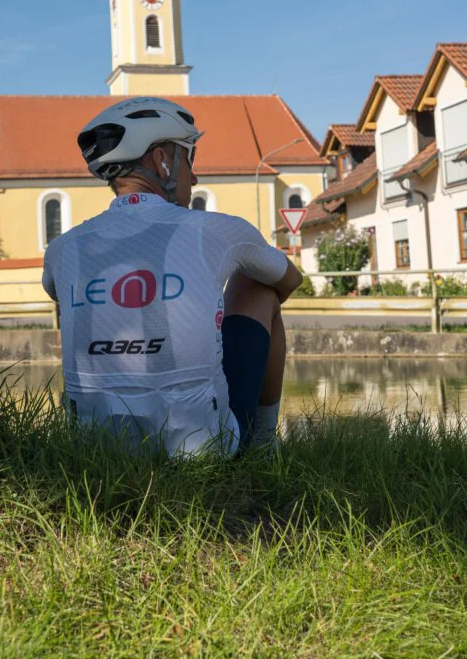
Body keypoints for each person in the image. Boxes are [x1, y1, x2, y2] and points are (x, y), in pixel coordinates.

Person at [42, 96, 303, 456]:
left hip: (95, 450)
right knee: (258, 283)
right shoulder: (217, 230)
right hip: (200, 449)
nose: (194, 176)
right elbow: (289, 280)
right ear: (162, 160)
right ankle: (262, 448)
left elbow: (56, 293)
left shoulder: (62, 248)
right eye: (189, 157)